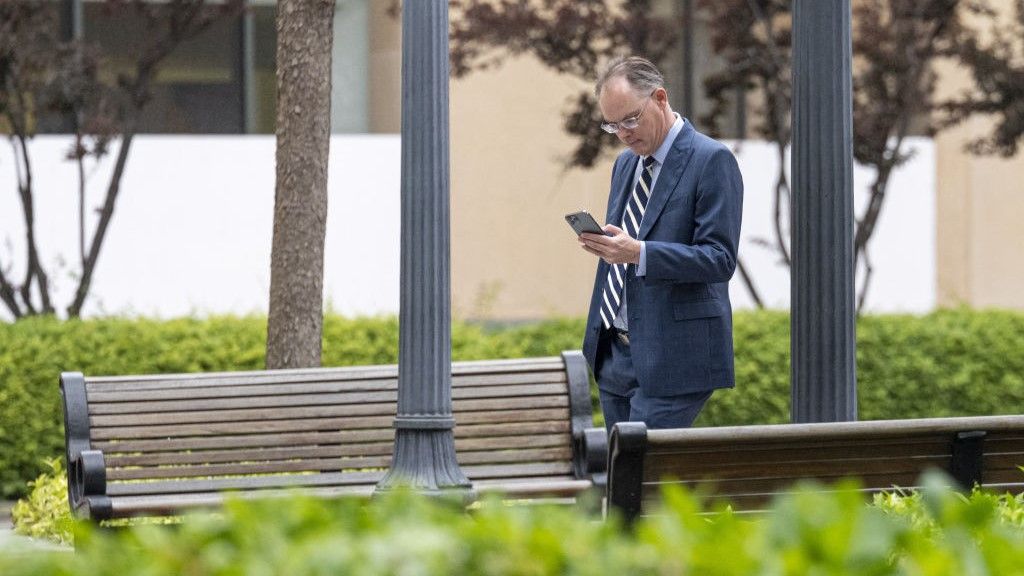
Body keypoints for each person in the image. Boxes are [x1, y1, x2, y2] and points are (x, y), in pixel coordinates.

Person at [579, 56, 743, 432]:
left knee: (644, 473)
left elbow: (719, 259)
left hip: (676, 357)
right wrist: (609, 247)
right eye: (612, 125)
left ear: (660, 98)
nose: (623, 132)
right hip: (614, 351)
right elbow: (625, 244)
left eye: (631, 119)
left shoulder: (711, 160)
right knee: (622, 481)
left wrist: (639, 252)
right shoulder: (625, 164)